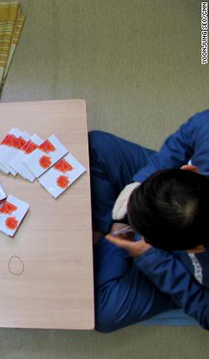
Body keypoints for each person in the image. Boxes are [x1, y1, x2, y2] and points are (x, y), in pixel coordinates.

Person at [88, 108, 209, 332]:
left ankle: (111, 238)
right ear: (190, 170)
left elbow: (205, 310)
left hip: (179, 269)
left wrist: (151, 259)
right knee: (95, 147)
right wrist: (139, 182)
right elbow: (184, 137)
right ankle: (113, 231)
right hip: (164, 192)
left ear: (195, 248)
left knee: (100, 313)